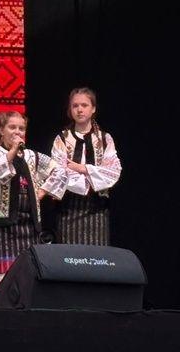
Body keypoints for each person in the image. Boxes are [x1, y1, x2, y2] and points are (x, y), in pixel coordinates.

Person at [0, 111, 66, 301]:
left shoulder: (32, 156)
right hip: (2, 227)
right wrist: (12, 151)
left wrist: (42, 191)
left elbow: (59, 170)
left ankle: (21, 316)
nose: (18, 132)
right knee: (0, 282)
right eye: (12, 127)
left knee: (26, 280)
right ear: (1, 130)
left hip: (28, 226)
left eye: (21, 128)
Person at [50, 87, 122, 245]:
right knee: (69, 255)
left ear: (93, 108)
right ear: (70, 109)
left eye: (84, 105)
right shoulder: (62, 138)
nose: (79, 109)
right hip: (68, 206)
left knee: (96, 255)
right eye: (75, 106)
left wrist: (83, 168)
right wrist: (93, 175)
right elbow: (59, 171)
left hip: (97, 208)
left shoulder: (104, 139)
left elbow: (112, 172)